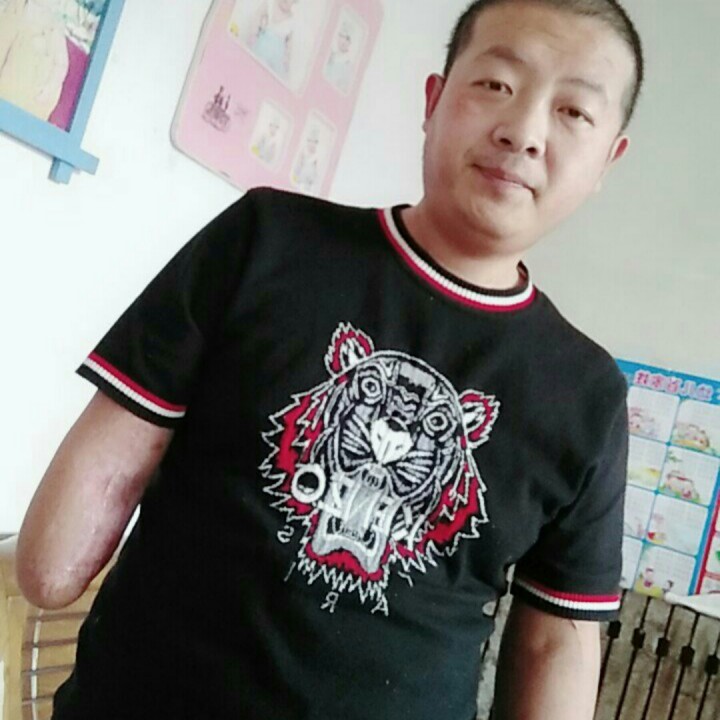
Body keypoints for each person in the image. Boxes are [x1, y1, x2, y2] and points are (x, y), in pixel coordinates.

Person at [17, 0, 644, 718]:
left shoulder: (587, 395)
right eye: (496, 84)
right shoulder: (265, 241)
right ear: (434, 101)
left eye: (573, 112)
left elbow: (556, 644)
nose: (523, 132)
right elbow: (60, 550)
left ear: (608, 160)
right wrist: (53, 565)